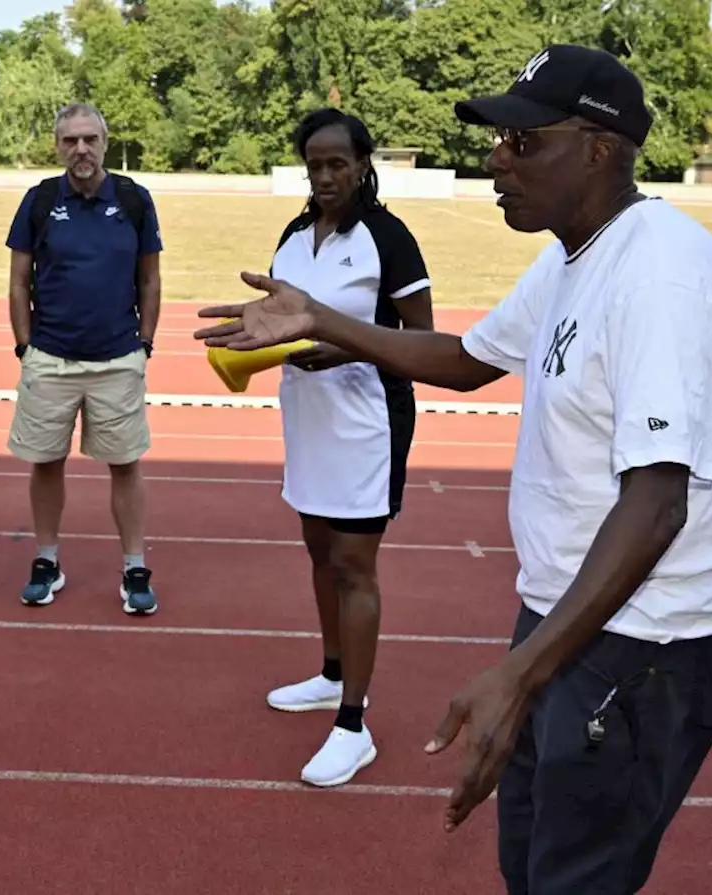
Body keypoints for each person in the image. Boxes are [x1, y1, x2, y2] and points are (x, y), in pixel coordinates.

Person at [194, 44, 712, 893]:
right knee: (529, 861)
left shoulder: (661, 276)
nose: (496, 159)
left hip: (652, 640)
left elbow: (657, 503)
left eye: (524, 142)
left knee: (572, 876)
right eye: (498, 140)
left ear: (600, 148)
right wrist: (321, 317)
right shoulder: (572, 255)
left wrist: (521, 671)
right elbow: (466, 357)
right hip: (572, 618)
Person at [259, 108, 433, 788]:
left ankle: (353, 725)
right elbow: (280, 318)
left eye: (339, 163)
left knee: (355, 565)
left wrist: (337, 350)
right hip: (307, 417)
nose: (326, 175)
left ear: (364, 164)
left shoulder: (389, 239)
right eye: (315, 164)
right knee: (317, 550)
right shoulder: (295, 236)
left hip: (368, 423)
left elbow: (421, 341)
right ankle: (332, 674)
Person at [4, 102, 163, 615]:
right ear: (58, 146)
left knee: (125, 464)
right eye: (71, 140)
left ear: (105, 142)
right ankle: (47, 560)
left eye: (90, 139)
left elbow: (150, 279)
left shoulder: (135, 200)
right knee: (46, 462)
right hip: (50, 357)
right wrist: (25, 345)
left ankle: (135, 566)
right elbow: (17, 280)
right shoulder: (39, 200)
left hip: (117, 359)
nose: (81, 150)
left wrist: (145, 344)